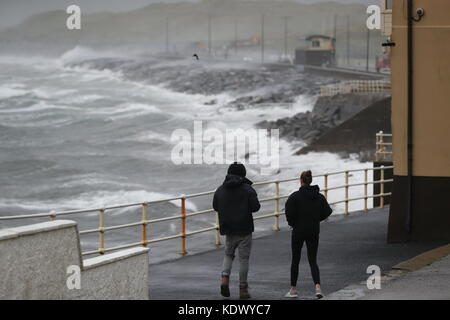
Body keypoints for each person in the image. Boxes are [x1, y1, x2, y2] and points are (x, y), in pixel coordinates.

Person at [213, 162, 261, 299]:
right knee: (244, 259)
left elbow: (215, 206)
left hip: (228, 229)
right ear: (243, 174)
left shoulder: (220, 189)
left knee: (228, 255)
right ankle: (243, 290)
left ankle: (224, 279)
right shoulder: (247, 189)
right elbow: (256, 207)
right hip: (244, 230)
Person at [284, 170, 332, 299]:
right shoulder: (319, 196)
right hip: (313, 231)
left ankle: (293, 290)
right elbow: (328, 211)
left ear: (301, 181)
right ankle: (317, 288)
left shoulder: (294, 196)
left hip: (298, 231)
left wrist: (293, 223)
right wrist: (316, 219)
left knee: (295, 260)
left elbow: (288, 212)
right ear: (310, 181)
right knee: (312, 260)